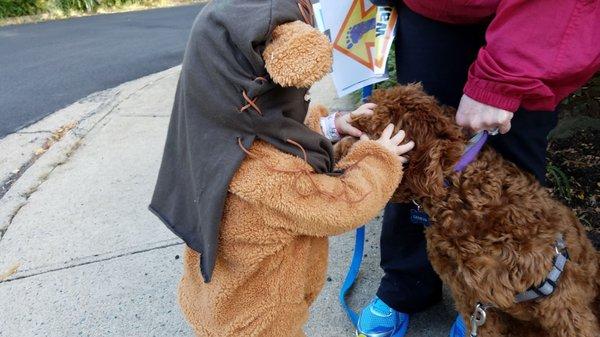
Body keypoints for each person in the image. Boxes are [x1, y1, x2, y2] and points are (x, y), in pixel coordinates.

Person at [149, 1, 414, 335]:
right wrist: (379, 159)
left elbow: (278, 132)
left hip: (219, 304)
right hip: (262, 322)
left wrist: (333, 125)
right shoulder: (268, 175)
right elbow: (344, 203)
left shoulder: (212, 134)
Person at [357, 1, 600, 336]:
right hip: (434, 12)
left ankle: (498, 304)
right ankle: (407, 284)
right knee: (417, 153)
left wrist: (505, 77)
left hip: (535, 25)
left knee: (512, 177)